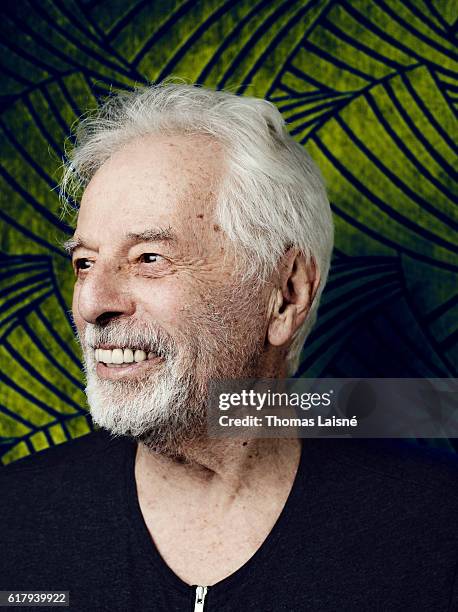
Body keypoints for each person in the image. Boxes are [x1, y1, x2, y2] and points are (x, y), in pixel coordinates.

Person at [1, 83, 457, 612]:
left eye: (149, 257)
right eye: (84, 262)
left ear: (285, 295)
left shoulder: (436, 531)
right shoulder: (14, 521)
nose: (92, 302)